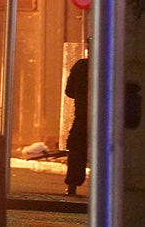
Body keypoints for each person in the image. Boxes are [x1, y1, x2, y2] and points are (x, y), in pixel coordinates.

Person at [65, 37, 90, 196]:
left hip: (83, 116)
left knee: (77, 149)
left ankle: (73, 184)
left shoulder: (81, 66)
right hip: (107, 117)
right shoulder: (113, 65)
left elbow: (69, 91)